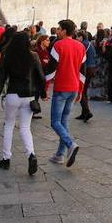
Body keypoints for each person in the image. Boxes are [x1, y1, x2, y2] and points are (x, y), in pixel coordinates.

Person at [0, 30, 44, 175]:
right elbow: (40, 77)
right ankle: (31, 155)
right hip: (29, 96)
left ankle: (6, 158)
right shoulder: (34, 56)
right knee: (25, 127)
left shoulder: (8, 57)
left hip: (13, 95)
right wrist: (43, 94)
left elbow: (0, 79)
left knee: (9, 125)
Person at [46, 19, 85, 167]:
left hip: (61, 87)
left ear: (64, 30)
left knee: (55, 122)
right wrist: (80, 90)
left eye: (59, 28)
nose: (57, 31)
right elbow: (82, 72)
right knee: (64, 121)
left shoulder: (58, 45)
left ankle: (70, 144)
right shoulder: (80, 47)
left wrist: (44, 88)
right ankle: (59, 155)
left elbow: (51, 70)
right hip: (74, 88)